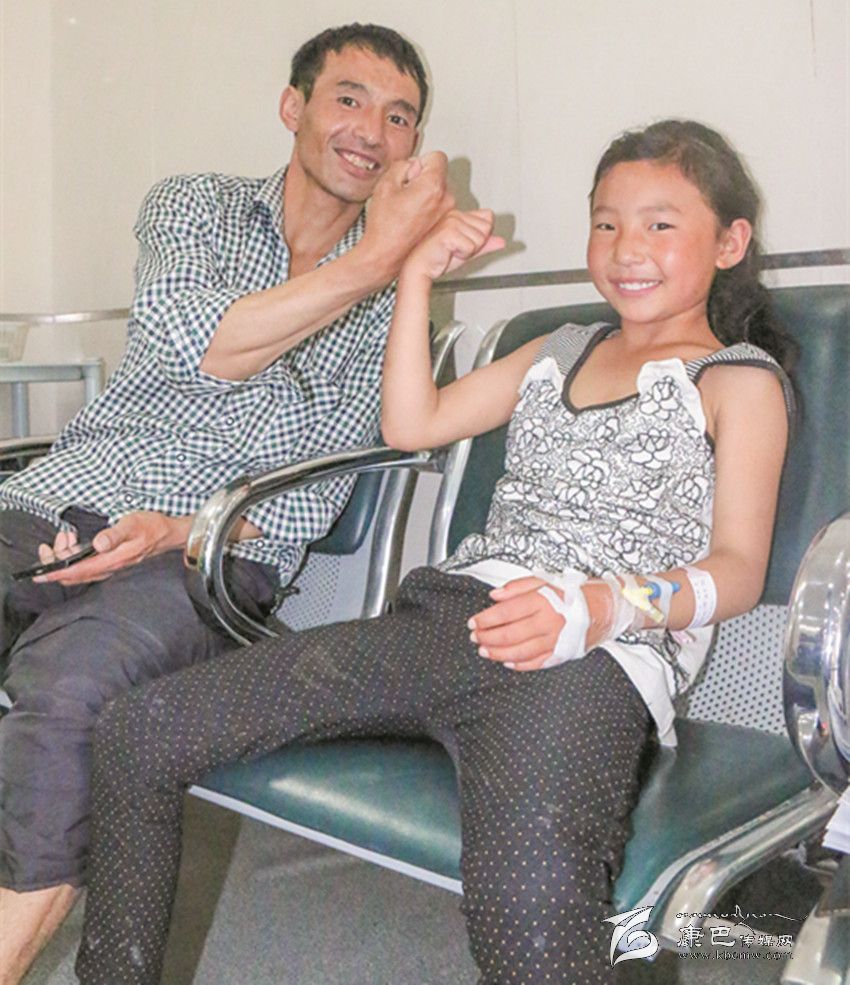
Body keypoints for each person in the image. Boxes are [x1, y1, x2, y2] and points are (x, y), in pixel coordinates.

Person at [75, 119, 795, 985]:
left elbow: (738, 569)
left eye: (660, 224)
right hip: (448, 620)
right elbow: (413, 424)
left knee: (530, 909)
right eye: (606, 222)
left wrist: (599, 607)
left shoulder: (736, 380)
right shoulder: (561, 348)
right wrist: (414, 274)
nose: (625, 248)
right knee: (139, 729)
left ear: (730, 242)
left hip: (592, 655)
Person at [0, 23, 453, 985]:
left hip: (204, 557)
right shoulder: (193, 206)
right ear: (293, 107)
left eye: (399, 117)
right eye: (349, 99)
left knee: (74, 697)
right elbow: (200, 343)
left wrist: (179, 529)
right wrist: (376, 256)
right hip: (55, 501)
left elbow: (321, 486)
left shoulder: (397, 300)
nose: (372, 131)